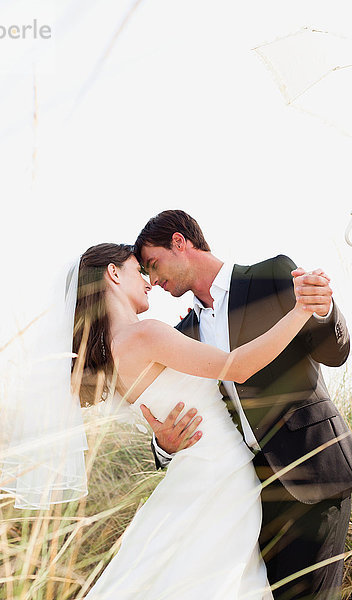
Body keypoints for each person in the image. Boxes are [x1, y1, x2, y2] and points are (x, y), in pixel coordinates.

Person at [72, 241, 321, 600]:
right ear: (113, 274)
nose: (148, 281)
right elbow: (237, 367)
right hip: (221, 475)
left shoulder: (107, 359)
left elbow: (158, 415)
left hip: (191, 475)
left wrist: (163, 441)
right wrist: (300, 312)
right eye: (137, 270)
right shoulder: (145, 334)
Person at [132, 209, 352, 600]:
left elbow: (336, 353)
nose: (153, 280)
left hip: (314, 470)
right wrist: (163, 446)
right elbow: (175, 412)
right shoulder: (182, 334)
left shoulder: (271, 275)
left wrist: (323, 310)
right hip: (247, 493)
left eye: (153, 263)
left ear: (180, 243)